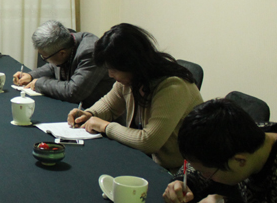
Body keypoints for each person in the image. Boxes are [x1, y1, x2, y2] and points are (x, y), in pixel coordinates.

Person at [67, 23, 202, 170]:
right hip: (145, 160)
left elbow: (148, 141)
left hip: (177, 172)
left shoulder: (173, 87)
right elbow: (109, 106)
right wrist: (89, 114)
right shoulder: (132, 79)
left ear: (132, 64)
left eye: (113, 69)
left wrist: (105, 126)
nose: (110, 75)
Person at [12, 20, 114, 109]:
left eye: (45, 57)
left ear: (62, 53)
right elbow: (53, 65)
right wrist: (31, 76)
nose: (44, 60)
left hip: (96, 114)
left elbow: (73, 92)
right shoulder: (66, 41)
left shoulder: (90, 52)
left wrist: (39, 83)